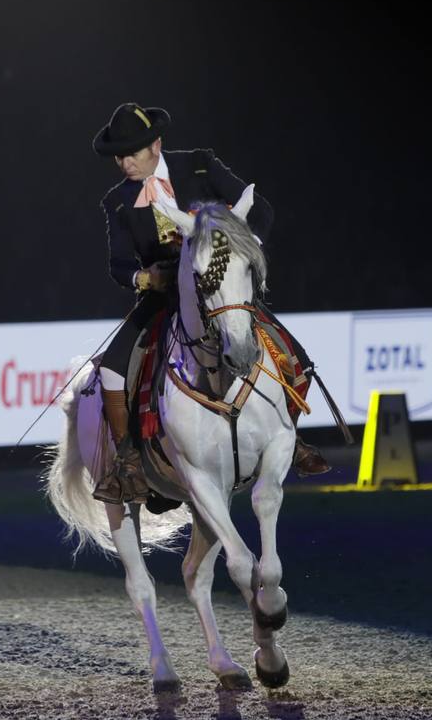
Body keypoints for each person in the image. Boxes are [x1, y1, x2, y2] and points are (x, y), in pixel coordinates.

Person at [91, 102, 329, 504]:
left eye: (133, 152)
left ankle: (293, 434)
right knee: (113, 370)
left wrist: (241, 249)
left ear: (157, 144)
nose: (125, 162)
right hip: (162, 295)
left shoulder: (199, 167)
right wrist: (143, 277)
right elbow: (118, 264)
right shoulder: (117, 201)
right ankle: (128, 463)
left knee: (288, 347)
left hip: (220, 288)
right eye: (119, 155)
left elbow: (261, 211)